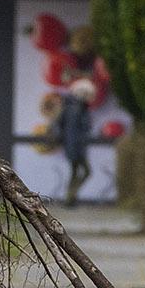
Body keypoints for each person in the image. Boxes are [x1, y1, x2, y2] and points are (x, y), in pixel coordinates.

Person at [56, 78, 97, 206]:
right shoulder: (76, 109)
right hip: (76, 147)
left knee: (74, 172)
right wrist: (77, 149)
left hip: (73, 146)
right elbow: (75, 132)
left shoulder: (72, 107)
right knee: (85, 171)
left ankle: (70, 198)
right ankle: (70, 196)